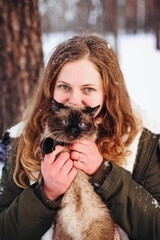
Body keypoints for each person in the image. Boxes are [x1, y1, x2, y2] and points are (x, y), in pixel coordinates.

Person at [0, 34, 160, 240]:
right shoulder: (22, 140)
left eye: (89, 89)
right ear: (51, 88)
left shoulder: (142, 142)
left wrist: (105, 175)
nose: (74, 100)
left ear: (108, 93)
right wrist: (45, 194)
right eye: (64, 86)